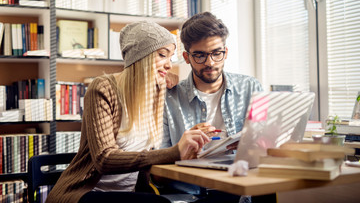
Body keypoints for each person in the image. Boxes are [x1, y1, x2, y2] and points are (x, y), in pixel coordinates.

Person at [46, 21, 210, 203]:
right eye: (163, 55)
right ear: (140, 57)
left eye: (171, 58)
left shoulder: (154, 92)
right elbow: (104, 159)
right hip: (86, 192)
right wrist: (175, 152)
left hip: (129, 193)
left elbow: (172, 79)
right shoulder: (102, 88)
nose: (169, 65)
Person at [160, 12, 263, 202]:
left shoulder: (250, 88)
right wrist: (182, 152)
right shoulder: (169, 98)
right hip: (189, 193)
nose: (210, 63)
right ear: (187, 57)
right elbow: (156, 171)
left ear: (226, 52)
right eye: (200, 55)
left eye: (217, 53)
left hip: (239, 187)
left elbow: (267, 144)